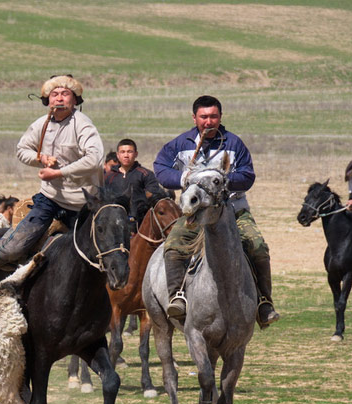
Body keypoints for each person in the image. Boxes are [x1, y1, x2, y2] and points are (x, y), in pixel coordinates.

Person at [0, 74, 103, 301]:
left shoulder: (83, 124)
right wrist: (40, 158)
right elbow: (22, 149)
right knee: (15, 246)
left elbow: (95, 158)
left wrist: (59, 172)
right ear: (48, 100)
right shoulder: (41, 125)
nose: (59, 98)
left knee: (103, 251)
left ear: (75, 100)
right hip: (50, 198)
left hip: (84, 202)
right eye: (55, 94)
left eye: (65, 94)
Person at [154, 95, 279, 327]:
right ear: (194, 118)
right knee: (173, 247)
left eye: (213, 116)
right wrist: (184, 177)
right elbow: (160, 168)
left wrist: (221, 180)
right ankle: (177, 298)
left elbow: (248, 176)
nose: (208, 122)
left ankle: (264, 302)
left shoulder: (234, 144)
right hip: (193, 214)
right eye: (203, 117)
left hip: (233, 211)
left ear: (220, 117)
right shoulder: (181, 144)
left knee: (257, 246)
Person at [104, 138, 172, 234]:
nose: (126, 155)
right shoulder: (108, 176)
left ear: (136, 154)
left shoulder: (145, 174)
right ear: (118, 155)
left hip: (140, 225)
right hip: (114, 225)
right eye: (122, 152)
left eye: (130, 152)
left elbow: (155, 198)